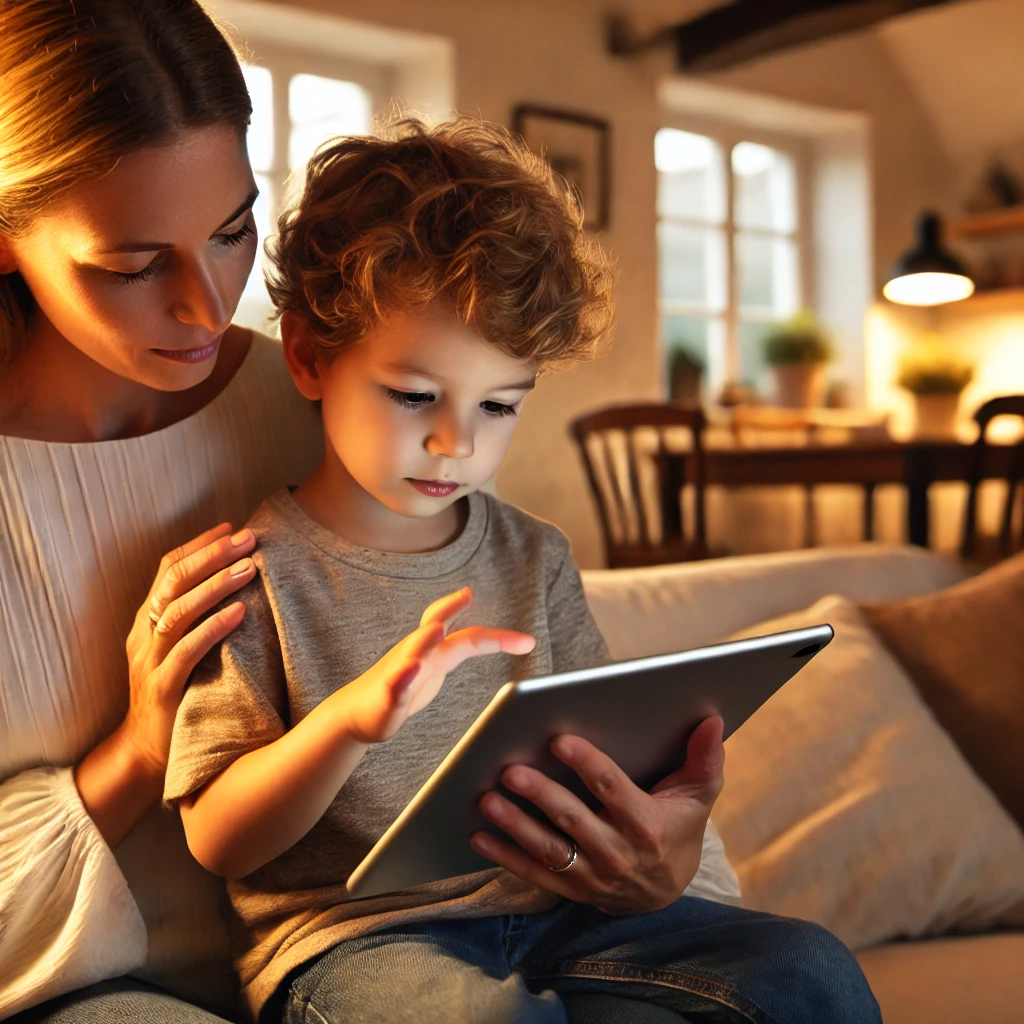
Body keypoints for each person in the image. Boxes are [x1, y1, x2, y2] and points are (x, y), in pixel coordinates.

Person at [165, 118, 882, 1024]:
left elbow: (600, 745)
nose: (457, 442)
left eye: (499, 405)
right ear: (308, 356)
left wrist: (657, 804)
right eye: (414, 395)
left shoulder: (534, 556)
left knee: (807, 966)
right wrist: (351, 722)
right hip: (358, 943)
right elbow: (219, 841)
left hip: (560, 917)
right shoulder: (255, 573)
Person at [0, 4, 515, 1021]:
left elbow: (506, 668)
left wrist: (662, 848)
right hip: (83, 987)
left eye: (233, 230)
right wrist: (138, 753)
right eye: (134, 266)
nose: (209, 304)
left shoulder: (345, 399)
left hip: (382, 947)